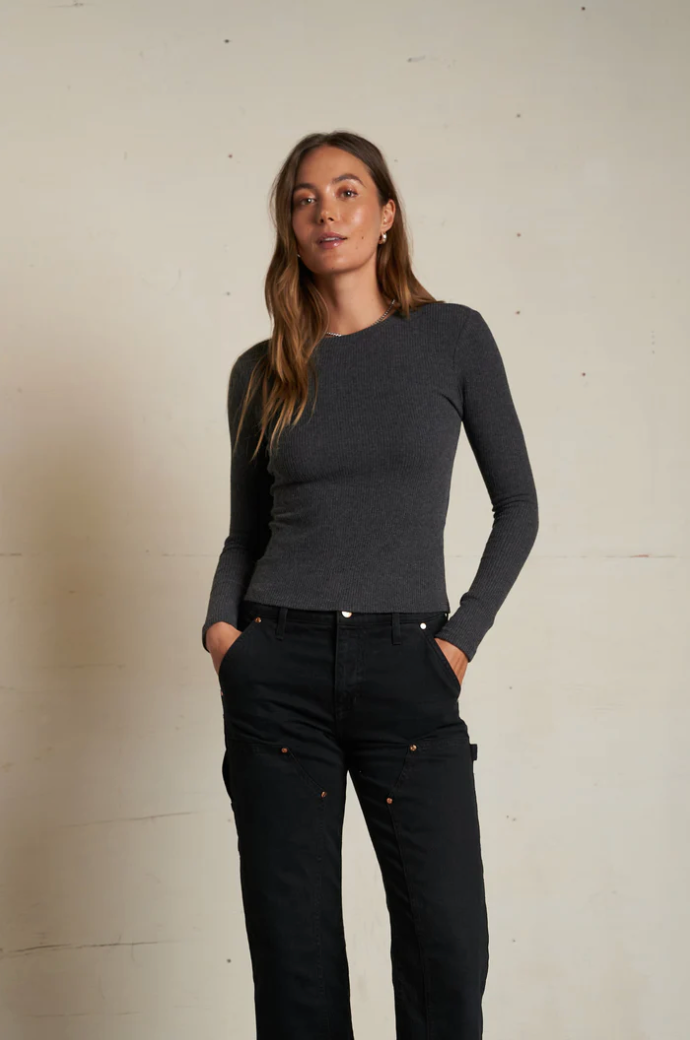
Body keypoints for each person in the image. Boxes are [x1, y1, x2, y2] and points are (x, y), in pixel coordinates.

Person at [201, 130, 539, 1040]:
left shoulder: (451, 338)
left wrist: (458, 641)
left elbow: (519, 506)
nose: (327, 212)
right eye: (305, 198)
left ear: (386, 214)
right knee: (296, 961)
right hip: (278, 671)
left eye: (347, 192)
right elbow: (246, 534)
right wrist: (223, 636)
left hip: (408, 665)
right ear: (290, 224)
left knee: (446, 951)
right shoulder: (261, 370)